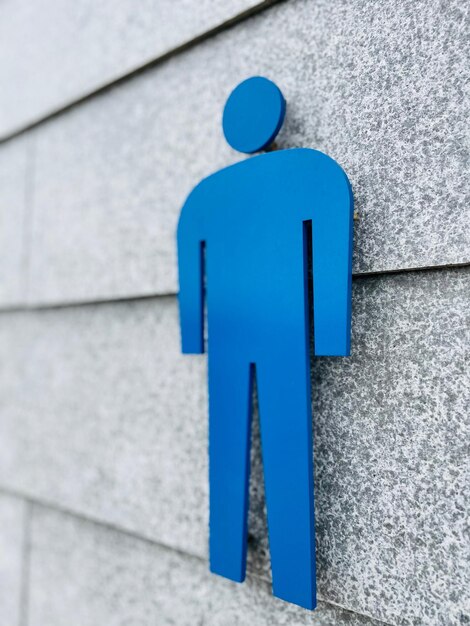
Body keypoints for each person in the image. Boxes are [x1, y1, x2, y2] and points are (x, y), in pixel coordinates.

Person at [177, 76, 353, 610]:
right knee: (283, 441)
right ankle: (291, 576)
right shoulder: (309, 172)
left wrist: (194, 337)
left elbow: (192, 266)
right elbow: (329, 249)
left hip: (236, 335)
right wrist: (328, 335)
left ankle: (230, 554)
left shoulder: (205, 195)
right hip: (282, 331)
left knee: (229, 441)